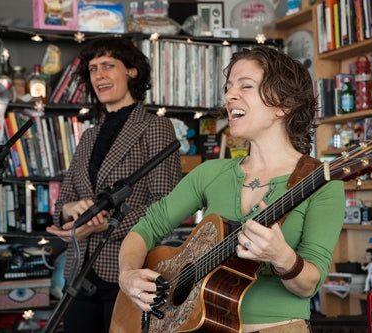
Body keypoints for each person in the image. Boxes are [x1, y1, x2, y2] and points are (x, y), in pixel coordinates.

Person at [115, 46, 345, 332]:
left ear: (283, 104)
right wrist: (127, 275)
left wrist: (281, 257)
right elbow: (145, 228)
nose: (229, 96)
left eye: (245, 86)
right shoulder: (210, 173)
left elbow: (308, 285)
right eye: (228, 88)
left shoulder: (322, 183)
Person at [46, 36, 182, 333]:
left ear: (131, 71)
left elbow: (166, 205)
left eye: (108, 66)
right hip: (79, 273)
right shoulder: (88, 137)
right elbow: (61, 204)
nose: (99, 75)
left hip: (128, 271)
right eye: (93, 69)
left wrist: (101, 225)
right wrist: (73, 209)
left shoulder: (155, 127)